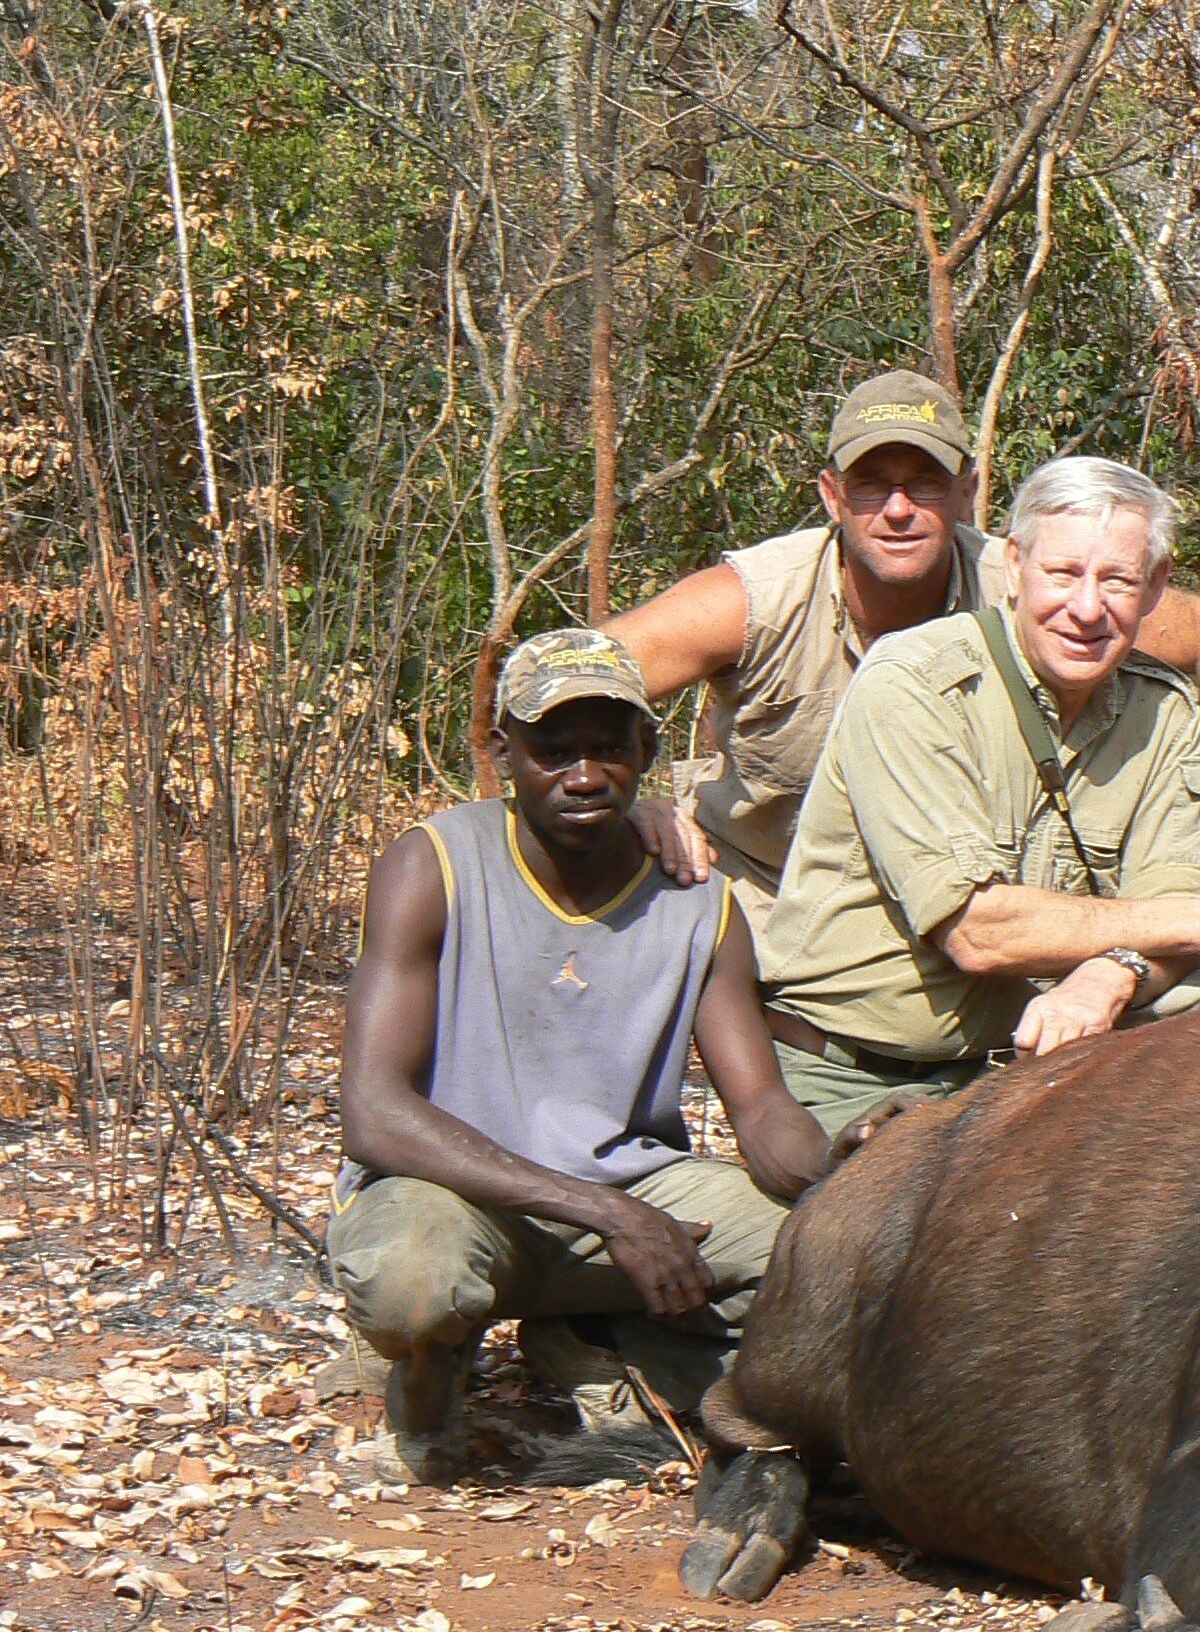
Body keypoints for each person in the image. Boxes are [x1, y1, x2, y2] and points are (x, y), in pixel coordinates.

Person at [328, 630, 835, 1484]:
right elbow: (375, 1113)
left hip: (629, 1192)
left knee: (818, 1248)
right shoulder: (435, 864)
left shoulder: (698, 904)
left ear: (646, 751)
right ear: (503, 754)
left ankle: (603, 1344)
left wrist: (846, 1169)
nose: (586, 775)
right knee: (414, 1277)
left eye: (609, 748)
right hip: (458, 1193)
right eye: (553, 751)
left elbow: (763, 1113)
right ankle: (424, 1376)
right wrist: (605, 1214)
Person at [755, 458, 1200, 1135]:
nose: (1087, 609)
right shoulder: (914, 684)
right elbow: (978, 930)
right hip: (867, 1069)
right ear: (1016, 564)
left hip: (1037, 1053)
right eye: (1063, 574)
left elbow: (1170, 884)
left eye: (1117, 580)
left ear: (1155, 587)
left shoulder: (1162, 709)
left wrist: (1106, 977)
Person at [603, 372, 1200, 914]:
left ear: (968, 492)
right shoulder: (756, 599)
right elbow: (567, 676)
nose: (899, 509)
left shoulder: (1032, 584)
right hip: (766, 897)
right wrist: (628, 800)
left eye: (926, 484)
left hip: (964, 902)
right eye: (872, 486)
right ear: (831, 495)